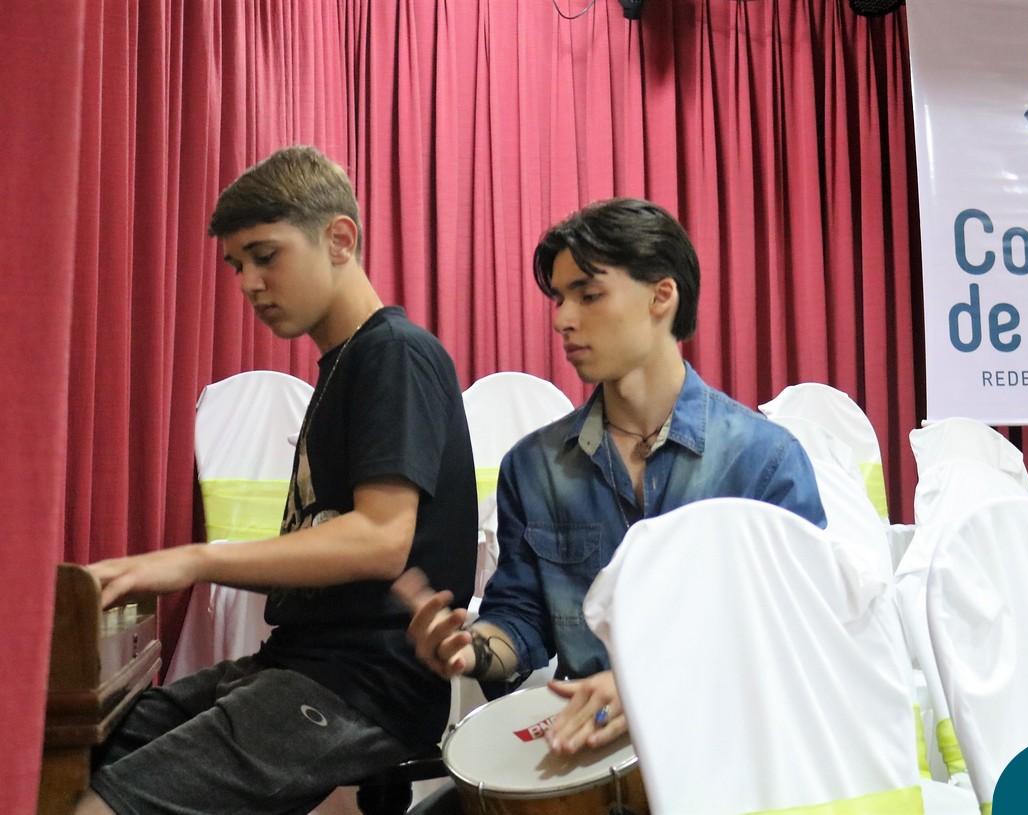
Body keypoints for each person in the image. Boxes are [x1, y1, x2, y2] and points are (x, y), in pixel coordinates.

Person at [77, 145, 478, 815]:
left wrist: (195, 559)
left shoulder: (395, 354)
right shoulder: (345, 363)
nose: (249, 283)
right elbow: (323, 556)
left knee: (99, 806)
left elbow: (381, 540)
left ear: (340, 239)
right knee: (76, 755)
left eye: (266, 256)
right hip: (298, 661)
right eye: (238, 265)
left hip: (361, 684)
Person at [394, 197, 825, 763]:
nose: (562, 318)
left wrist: (649, 687)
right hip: (592, 755)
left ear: (661, 296)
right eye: (559, 298)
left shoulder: (764, 461)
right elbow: (520, 620)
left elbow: (800, 636)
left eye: (588, 294)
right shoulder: (534, 466)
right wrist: (470, 649)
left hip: (731, 753)